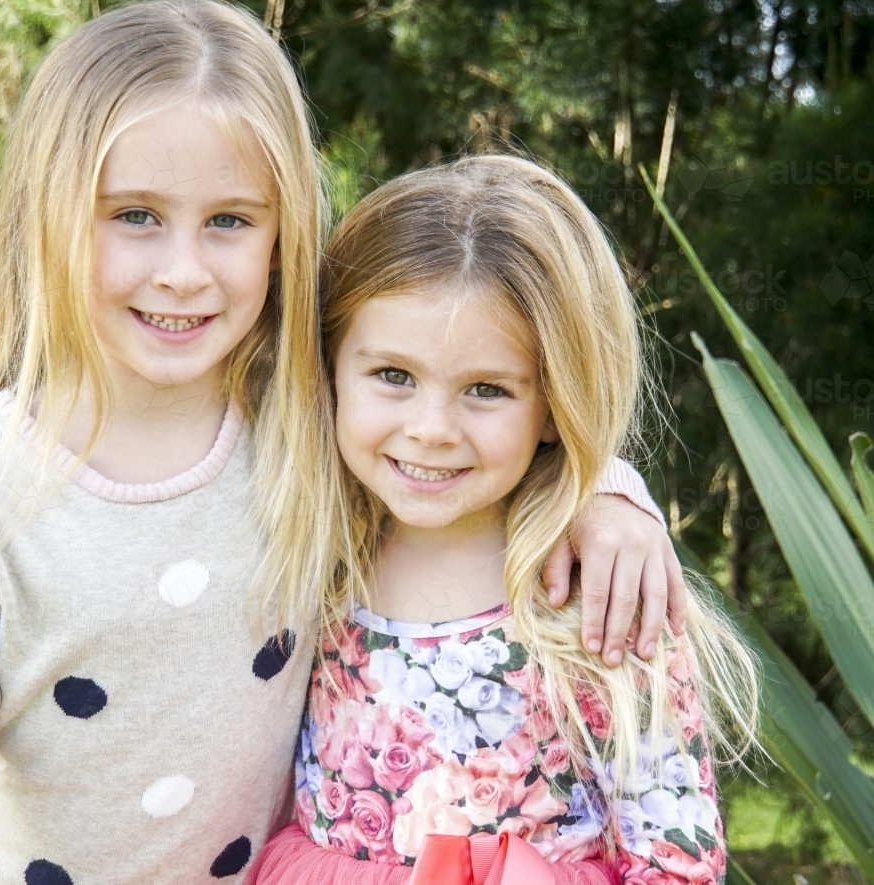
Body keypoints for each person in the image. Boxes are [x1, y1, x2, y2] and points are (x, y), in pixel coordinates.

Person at [0, 3, 681, 883]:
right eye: (135, 215)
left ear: (282, 233)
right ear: (48, 213)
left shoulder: (301, 430)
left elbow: (461, 429)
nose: (184, 270)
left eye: (230, 221)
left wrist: (606, 492)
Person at [248, 156, 759, 885]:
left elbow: (676, 861)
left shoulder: (597, 594)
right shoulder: (312, 544)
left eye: (486, 389)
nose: (430, 428)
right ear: (328, 367)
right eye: (393, 375)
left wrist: (606, 485)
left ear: (554, 404)